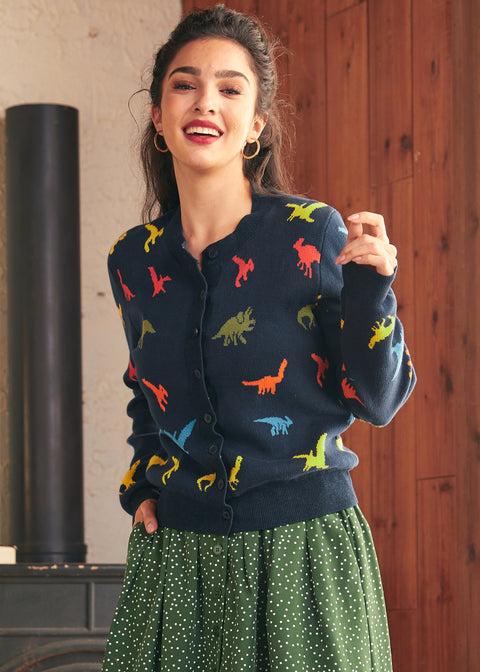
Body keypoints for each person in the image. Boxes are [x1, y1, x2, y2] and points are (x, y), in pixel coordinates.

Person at [102, 5, 415, 672]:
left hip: (303, 557)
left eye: (230, 88)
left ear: (255, 126)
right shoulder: (133, 259)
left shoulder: (312, 232)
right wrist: (141, 486)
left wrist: (373, 288)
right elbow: (146, 394)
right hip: (177, 565)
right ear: (157, 115)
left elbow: (378, 399)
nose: (205, 102)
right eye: (184, 85)